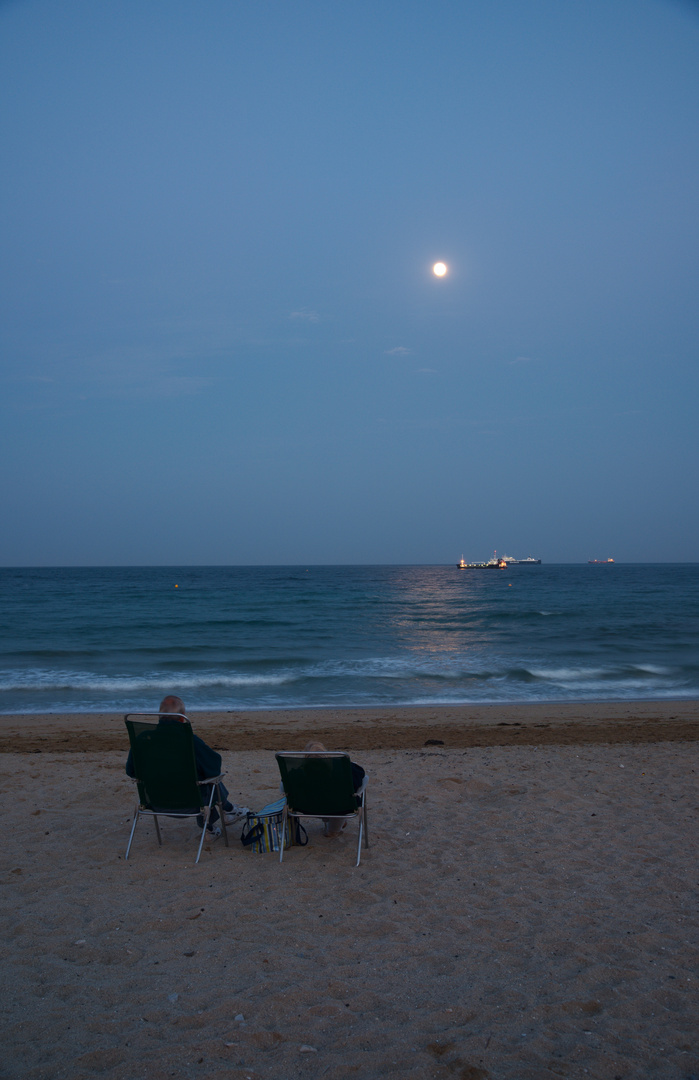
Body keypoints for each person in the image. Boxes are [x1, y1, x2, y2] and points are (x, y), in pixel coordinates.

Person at [125, 695, 249, 835]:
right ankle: (221, 817)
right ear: (182, 717)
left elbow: (131, 771)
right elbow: (214, 768)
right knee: (211, 778)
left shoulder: (142, 739)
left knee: (203, 775)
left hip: (155, 803)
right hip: (191, 805)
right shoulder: (190, 741)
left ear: (159, 716)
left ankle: (226, 813)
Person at [303, 740, 365, 837]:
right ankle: (333, 830)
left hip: (308, 807)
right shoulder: (343, 768)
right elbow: (360, 776)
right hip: (340, 807)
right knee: (341, 798)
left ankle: (331, 825)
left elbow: (284, 787)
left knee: (327, 797)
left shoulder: (298, 773)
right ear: (326, 754)